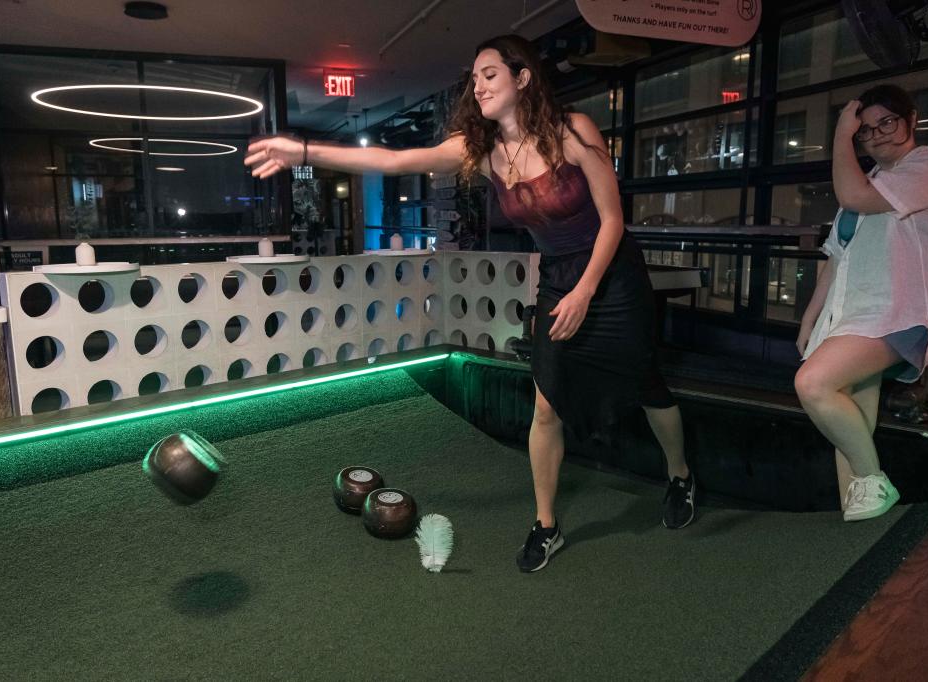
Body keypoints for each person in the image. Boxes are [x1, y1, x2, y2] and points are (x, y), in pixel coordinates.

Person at [245, 34, 695, 572]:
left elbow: (614, 220)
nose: (477, 86)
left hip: (612, 273)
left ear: (522, 77)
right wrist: (302, 151)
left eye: (489, 75)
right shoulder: (480, 151)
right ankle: (546, 524)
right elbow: (393, 160)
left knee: (646, 383)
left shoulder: (573, 130)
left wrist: (586, 290)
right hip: (557, 278)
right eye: (475, 78)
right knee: (546, 400)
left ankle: (681, 476)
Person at [795, 84, 928, 521]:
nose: (877, 134)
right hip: (850, 315)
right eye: (866, 130)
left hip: (897, 312)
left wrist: (840, 137)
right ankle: (859, 521)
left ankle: (872, 483)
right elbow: (835, 256)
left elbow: (852, 197)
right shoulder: (874, 181)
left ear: (912, 119)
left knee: (815, 385)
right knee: (851, 429)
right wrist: (810, 320)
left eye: (887, 122)